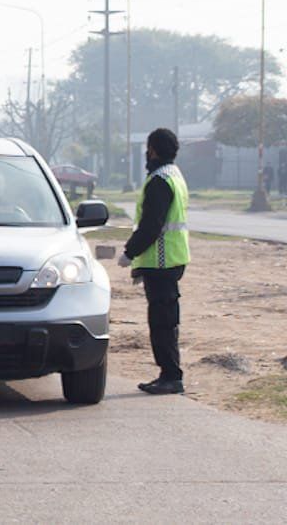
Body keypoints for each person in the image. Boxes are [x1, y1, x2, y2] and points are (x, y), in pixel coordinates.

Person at [119, 128, 191, 395]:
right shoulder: (175, 175)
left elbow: (151, 225)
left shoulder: (159, 181)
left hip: (161, 261)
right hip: (173, 258)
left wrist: (130, 252)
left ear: (152, 150)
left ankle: (171, 376)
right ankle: (169, 373)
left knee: (162, 322)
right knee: (167, 320)